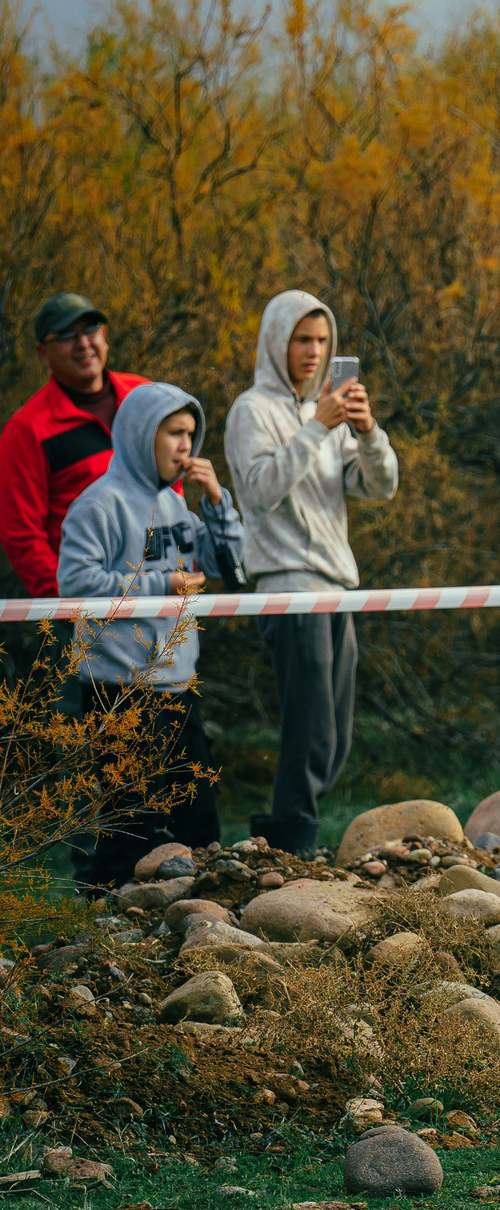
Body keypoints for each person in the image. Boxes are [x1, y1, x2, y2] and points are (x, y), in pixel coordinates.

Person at [225, 291, 399, 859]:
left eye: (322, 341)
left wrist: (368, 432)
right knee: (311, 731)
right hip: (286, 587)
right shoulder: (252, 410)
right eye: (303, 339)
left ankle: (277, 841)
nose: (313, 351)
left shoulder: (327, 410)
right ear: (279, 340)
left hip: (335, 586)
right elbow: (259, 490)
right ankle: (289, 847)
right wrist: (316, 428)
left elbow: (380, 487)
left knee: (337, 735)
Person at [55, 382, 242, 891]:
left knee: (199, 820)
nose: (186, 447)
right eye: (174, 433)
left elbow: (230, 567)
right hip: (118, 687)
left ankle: (201, 922)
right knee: (128, 821)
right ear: (141, 436)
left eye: (191, 435)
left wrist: (218, 502)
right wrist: (161, 584)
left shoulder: (180, 507)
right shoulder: (100, 504)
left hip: (178, 686)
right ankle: (103, 930)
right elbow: (75, 586)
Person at [0, 293, 149, 599]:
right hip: (86, 616)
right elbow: (23, 538)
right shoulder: (27, 430)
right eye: (66, 336)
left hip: (159, 600)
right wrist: (72, 601)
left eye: (90, 329)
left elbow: (173, 491)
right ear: (43, 353)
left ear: (104, 336)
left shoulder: (144, 396)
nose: (82, 344)